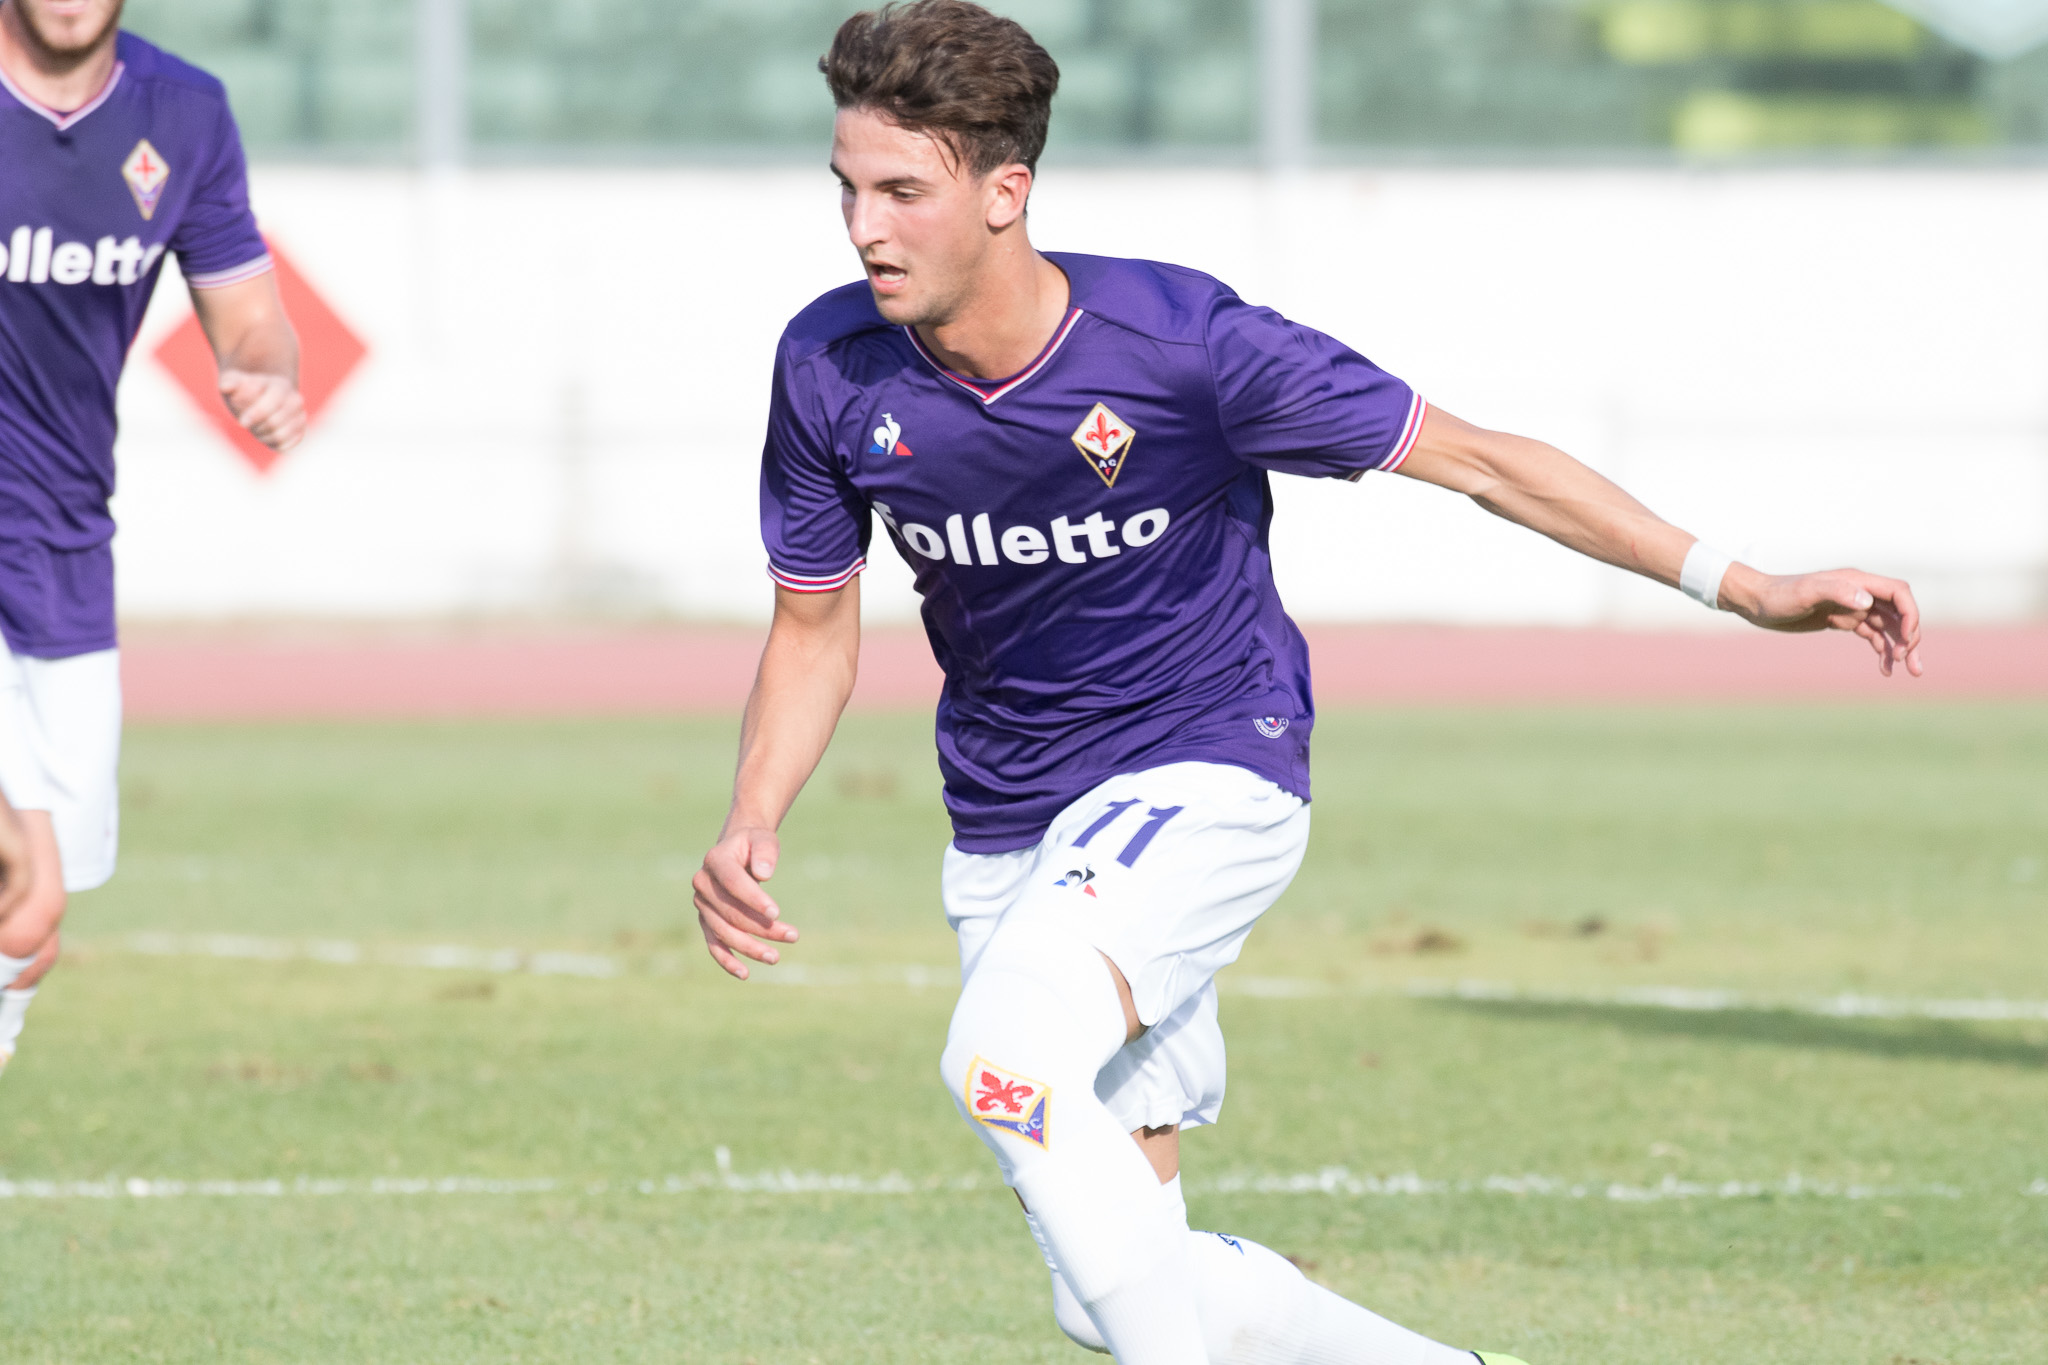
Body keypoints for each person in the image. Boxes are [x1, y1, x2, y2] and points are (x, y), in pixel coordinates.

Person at [692, 4, 1923, 1360]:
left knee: (1005, 1061)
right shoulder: (828, 365)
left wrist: (1743, 585)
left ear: (1005, 192)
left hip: (1209, 763)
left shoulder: (1182, 346)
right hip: (1009, 822)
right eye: (849, 189)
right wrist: (755, 814)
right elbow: (813, 621)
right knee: (1112, 1280)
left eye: (901, 192)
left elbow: (1484, 462)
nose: (865, 228)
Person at [0, 0, 304, 1076]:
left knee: (29, 927)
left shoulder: (183, 115)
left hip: (66, 557)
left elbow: (250, 314)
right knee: (14, 871)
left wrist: (265, 370)